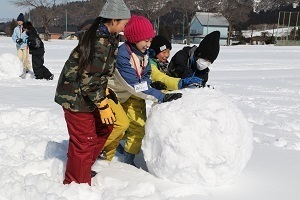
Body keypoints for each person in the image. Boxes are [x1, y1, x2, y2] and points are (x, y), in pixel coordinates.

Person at [54, 0, 131, 185]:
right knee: (85, 140)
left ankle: (82, 167)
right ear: (113, 20)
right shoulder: (99, 41)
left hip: (90, 93)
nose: (124, 28)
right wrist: (103, 104)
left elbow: (99, 74)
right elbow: (88, 80)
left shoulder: (109, 38)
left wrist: (104, 93)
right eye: (123, 23)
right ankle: (76, 184)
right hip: (75, 96)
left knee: (106, 126)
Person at [107, 15, 182, 166]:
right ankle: (103, 155)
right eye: (146, 41)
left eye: (150, 41)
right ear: (134, 38)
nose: (149, 45)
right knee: (117, 126)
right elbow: (134, 84)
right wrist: (160, 96)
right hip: (113, 94)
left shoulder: (145, 55)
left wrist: (152, 86)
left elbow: (146, 75)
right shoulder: (122, 54)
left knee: (139, 127)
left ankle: (129, 159)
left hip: (133, 95)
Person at [12, 13, 31, 77]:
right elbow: (13, 36)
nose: (19, 22)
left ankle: (27, 69)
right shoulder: (16, 29)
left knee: (25, 58)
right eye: (18, 21)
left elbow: (28, 35)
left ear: (23, 21)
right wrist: (17, 40)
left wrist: (24, 39)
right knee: (19, 58)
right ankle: (20, 69)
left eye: (20, 21)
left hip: (25, 45)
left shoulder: (26, 28)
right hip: (19, 46)